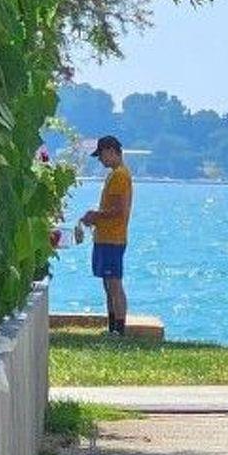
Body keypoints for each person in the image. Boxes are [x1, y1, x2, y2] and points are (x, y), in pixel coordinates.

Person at [80, 135, 134, 335]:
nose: (100, 160)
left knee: (114, 284)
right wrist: (96, 218)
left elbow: (119, 210)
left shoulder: (120, 175)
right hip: (105, 237)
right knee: (108, 285)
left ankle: (119, 329)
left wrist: (94, 216)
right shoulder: (114, 175)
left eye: (101, 155)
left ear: (111, 151)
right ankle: (112, 326)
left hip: (113, 238)